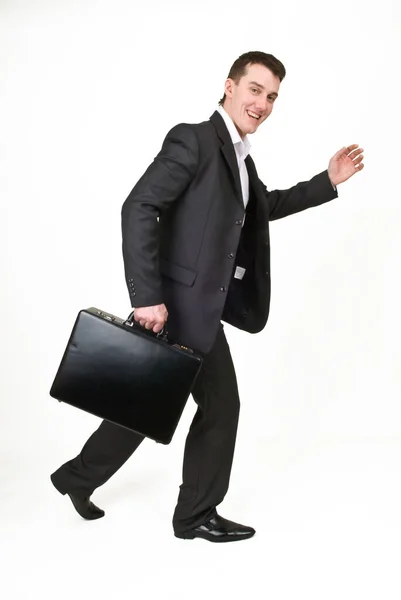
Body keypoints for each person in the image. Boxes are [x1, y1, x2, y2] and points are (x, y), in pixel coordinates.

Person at [50, 51, 364, 543]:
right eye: (256, 90)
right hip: (173, 307)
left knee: (146, 402)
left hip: (200, 308)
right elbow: (139, 206)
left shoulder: (239, 157)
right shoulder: (194, 139)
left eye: (273, 96)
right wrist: (147, 296)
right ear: (230, 86)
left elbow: (266, 207)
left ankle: (76, 478)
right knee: (216, 406)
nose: (263, 103)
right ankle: (194, 515)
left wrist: (328, 182)